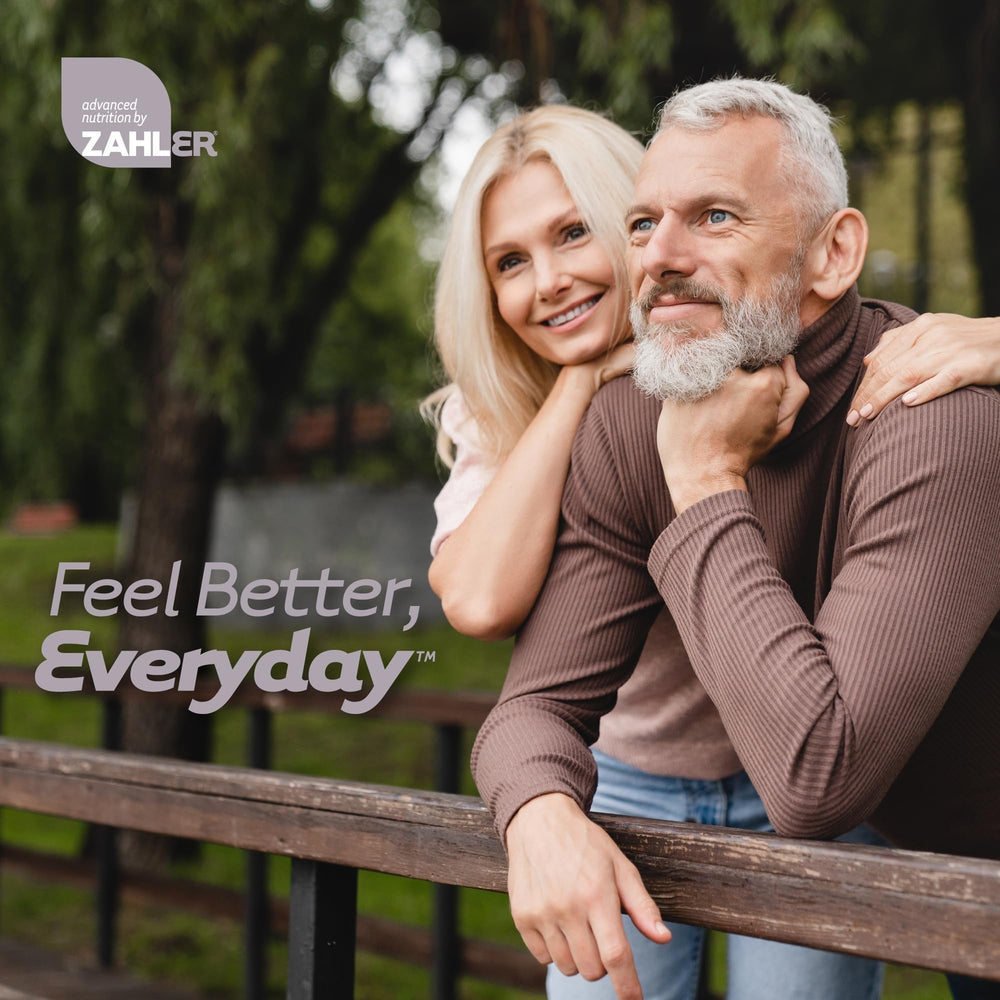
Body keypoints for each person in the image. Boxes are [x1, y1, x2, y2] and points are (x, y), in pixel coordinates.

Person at [466, 82, 1000, 1000]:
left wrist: (706, 479)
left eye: (715, 216)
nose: (661, 258)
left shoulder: (934, 418)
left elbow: (818, 780)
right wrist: (540, 812)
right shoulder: (630, 423)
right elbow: (533, 706)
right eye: (643, 224)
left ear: (834, 253)